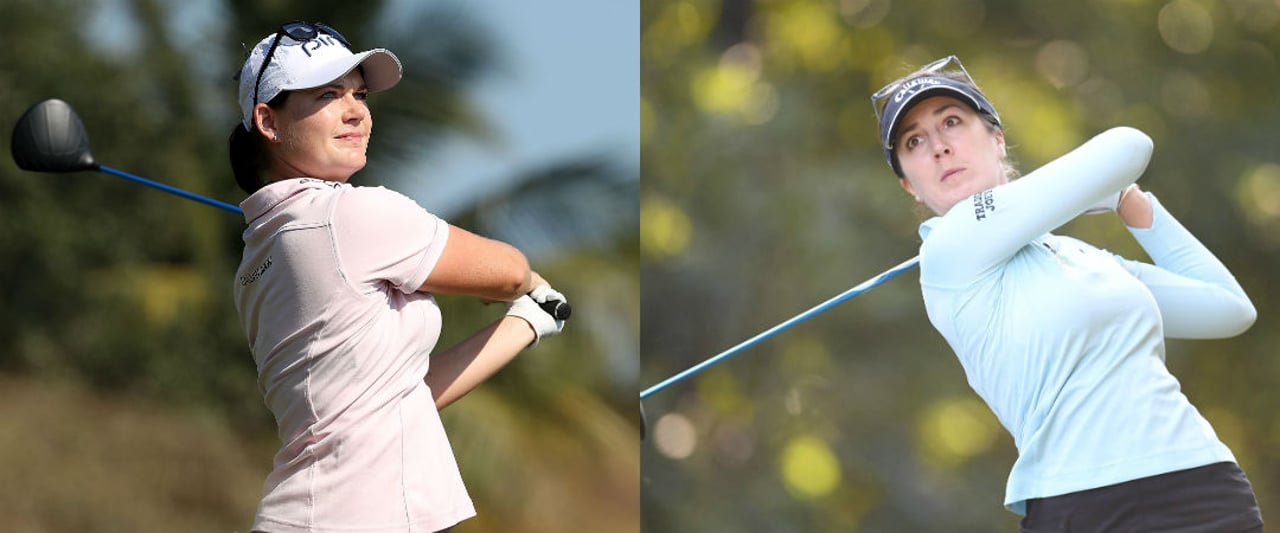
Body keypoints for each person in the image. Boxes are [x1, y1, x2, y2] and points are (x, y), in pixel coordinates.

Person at [872, 55, 1264, 531]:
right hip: (1080, 508)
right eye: (914, 142)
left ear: (997, 138)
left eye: (951, 122)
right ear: (908, 184)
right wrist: (1099, 184)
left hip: (1201, 487)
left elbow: (1227, 308)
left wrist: (1129, 201)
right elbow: (1127, 146)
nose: (937, 147)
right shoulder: (949, 251)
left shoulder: (1083, 257)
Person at [227, 21, 568, 533]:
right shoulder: (352, 216)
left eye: (359, 94)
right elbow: (509, 270)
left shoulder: (255, 263)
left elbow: (402, 396)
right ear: (268, 122)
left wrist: (529, 320)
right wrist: (524, 282)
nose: (356, 111)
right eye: (327, 94)